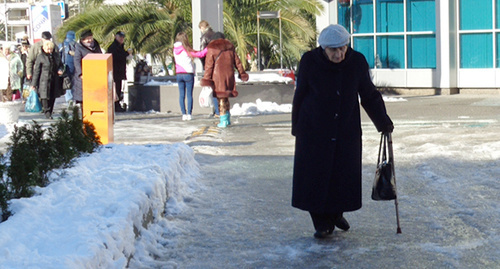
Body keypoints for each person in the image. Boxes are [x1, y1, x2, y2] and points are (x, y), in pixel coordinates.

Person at [291, 24, 394, 239]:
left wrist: (382, 121)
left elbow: (368, 94)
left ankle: (335, 213)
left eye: (342, 48)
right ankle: (322, 222)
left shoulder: (356, 62)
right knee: (315, 177)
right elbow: (300, 95)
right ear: (323, 48)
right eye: (333, 50)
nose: (338, 54)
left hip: (345, 129)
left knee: (342, 176)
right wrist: (297, 127)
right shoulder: (310, 61)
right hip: (314, 130)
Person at [200, 32, 249, 128]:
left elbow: (209, 66)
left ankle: (223, 120)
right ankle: (227, 118)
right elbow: (238, 63)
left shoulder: (212, 48)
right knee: (226, 97)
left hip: (218, 77)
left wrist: (206, 79)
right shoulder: (230, 48)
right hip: (229, 75)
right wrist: (242, 73)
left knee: (221, 98)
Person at [173, 32, 207, 121]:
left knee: (181, 95)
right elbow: (200, 54)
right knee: (189, 94)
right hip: (188, 73)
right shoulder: (186, 50)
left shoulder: (175, 49)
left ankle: (183, 114)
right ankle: (189, 114)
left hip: (179, 74)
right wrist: (208, 48)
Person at [31, 41, 64, 119]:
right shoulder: (40, 57)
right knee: (44, 96)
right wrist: (34, 84)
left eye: (51, 49)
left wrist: (60, 70)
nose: (49, 51)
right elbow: (37, 71)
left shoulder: (56, 56)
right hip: (44, 80)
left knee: (53, 96)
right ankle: (47, 112)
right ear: (44, 48)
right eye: (48, 49)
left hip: (54, 79)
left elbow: (61, 65)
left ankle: (50, 111)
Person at [73, 29, 102, 110]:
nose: (90, 40)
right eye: (87, 38)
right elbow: (77, 61)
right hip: (84, 76)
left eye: (91, 37)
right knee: (84, 99)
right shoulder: (79, 47)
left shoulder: (95, 44)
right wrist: (80, 73)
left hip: (95, 74)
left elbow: (100, 55)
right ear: (83, 39)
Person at [198, 20, 219, 117]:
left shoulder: (204, 37)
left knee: (212, 88)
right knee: (218, 88)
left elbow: (202, 53)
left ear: (202, 27)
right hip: (218, 64)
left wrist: (205, 66)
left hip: (209, 65)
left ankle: (216, 111)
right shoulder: (216, 35)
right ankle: (219, 109)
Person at [107, 31, 128, 112]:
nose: (122, 39)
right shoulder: (113, 47)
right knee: (115, 88)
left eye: (123, 38)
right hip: (115, 71)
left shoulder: (120, 46)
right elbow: (116, 57)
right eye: (120, 37)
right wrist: (126, 55)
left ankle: (117, 104)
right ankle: (115, 105)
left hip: (119, 71)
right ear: (116, 37)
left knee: (118, 88)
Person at [59, 31, 77, 106]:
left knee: (66, 82)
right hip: (74, 66)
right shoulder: (76, 44)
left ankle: (69, 99)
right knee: (74, 82)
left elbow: (58, 56)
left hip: (65, 66)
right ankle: (73, 98)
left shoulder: (62, 44)